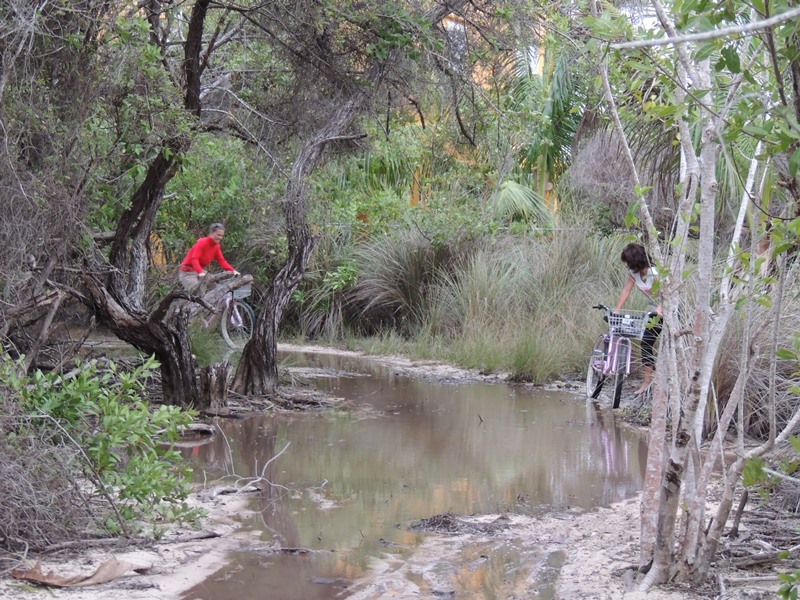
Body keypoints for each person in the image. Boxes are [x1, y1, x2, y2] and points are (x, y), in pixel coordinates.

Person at [615, 242, 662, 395]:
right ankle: (648, 380)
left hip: (669, 311)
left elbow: (667, 294)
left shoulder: (655, 273)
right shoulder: (634, 274)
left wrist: (660, 309)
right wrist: (617, 309)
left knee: (663, 344)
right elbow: (626, 290)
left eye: (629, 262)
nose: (627, 265)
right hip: (654, 312)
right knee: (646, 343)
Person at [178, 222, 240, 292]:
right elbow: (194, 258)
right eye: (218, 235)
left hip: (200, 272)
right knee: (196, 292)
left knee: (217, 289)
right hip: (188, 273)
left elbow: (221, 260)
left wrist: (233, 271)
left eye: (222, 236)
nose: (220, 238)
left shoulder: (216, 246)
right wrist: (200, 272)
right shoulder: (202, 242)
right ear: (212, 233)